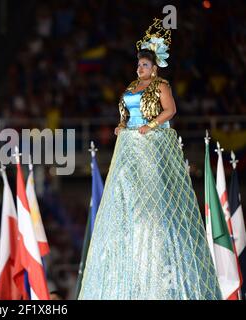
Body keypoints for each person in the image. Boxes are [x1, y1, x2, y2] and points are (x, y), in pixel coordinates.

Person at [78, 18, 222, 300]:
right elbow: (127, 113)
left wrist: (151, 126)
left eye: (145, 65)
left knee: (153, 192)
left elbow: (170, 110)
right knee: (125, 189)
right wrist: (122, 125)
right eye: (139, 64)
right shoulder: (132, 86)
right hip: (130, 143)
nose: (140, 68)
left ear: (154, 67)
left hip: (151, 141)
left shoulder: (160, 85)